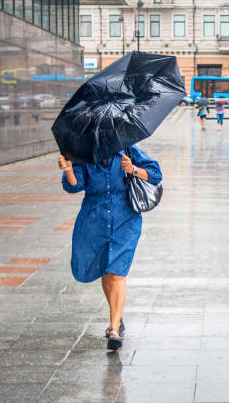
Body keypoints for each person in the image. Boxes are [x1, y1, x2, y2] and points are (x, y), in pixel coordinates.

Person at [58, 147, 162, 350]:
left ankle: (114, 328)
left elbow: (156, 174)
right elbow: (74, 186)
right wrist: (69, 170)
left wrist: (132, 169)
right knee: (106, 271)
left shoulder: (129, 151)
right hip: (94, 220)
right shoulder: (83, 156)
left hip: (126, 219)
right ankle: (117, 314)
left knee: (117, 273)